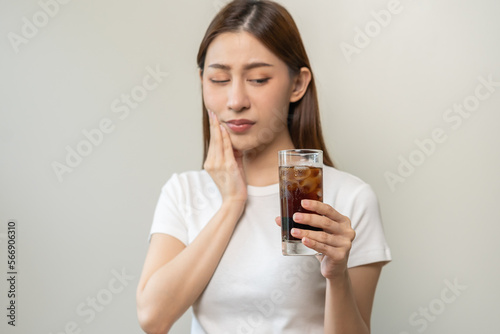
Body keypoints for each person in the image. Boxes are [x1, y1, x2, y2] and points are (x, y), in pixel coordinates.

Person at [136, 1, 391, 333]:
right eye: (218, 79)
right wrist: (231, 203)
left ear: (297, 84)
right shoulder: (184, 192)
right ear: (202, 82)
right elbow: (153, 318)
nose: (236, 100)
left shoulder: (348, 197)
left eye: (258, 79)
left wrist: (337, 274)